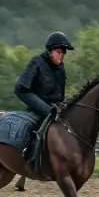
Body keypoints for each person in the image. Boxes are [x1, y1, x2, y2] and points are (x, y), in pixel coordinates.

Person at [14, 32, 72, 166]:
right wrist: (46, 109)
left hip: (55, 108)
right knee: (39, 125)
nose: (61, 55)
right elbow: (20, 88)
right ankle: (26, 153)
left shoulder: (61, 67)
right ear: (50, 50)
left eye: (63, 53)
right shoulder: (36, 62)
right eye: (58, 51)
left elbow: (60, 95)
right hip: (37, 107)